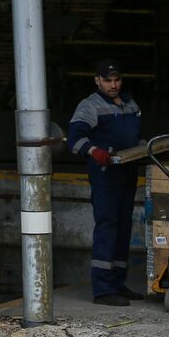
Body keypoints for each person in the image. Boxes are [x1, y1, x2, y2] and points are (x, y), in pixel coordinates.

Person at [67, 59, 144, 306]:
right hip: (105, 176)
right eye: (108, 80)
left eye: (117, 80)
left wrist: (145, 148)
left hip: (127, 173)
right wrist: (94, 151)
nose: (113, 85)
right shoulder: (90, 106)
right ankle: (102, 289)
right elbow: (74, 139)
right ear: (97, 80)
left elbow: (136, 136)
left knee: (123, 227)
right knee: (107, 226)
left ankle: (117, 283)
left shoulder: (130, 104)